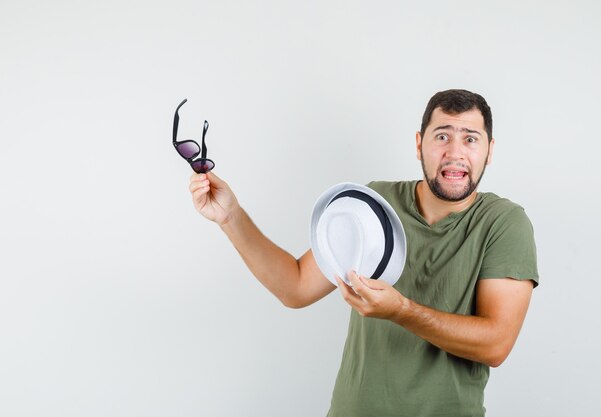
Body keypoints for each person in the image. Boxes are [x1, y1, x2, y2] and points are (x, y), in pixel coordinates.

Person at [188, 89, 539, 417]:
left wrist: (401, 310)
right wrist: (230, 216)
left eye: (470, 139)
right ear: (419, 145)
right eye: (442, 135)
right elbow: (295, 287)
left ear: (489, 150)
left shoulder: (503, 222)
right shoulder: (374, 204)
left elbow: (496, 344)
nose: (455, 152)